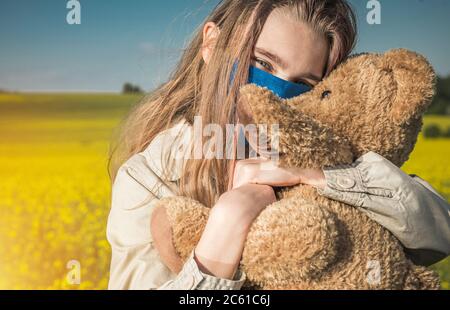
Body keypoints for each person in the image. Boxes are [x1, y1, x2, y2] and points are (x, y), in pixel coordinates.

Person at [106, 0, 450, 290]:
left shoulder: (328, 144)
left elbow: (438, 234)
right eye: (262, 63)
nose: (274, 92)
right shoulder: (148, 178)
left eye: (302, 82)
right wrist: (226, 227)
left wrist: (326, 177)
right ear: (211, 45)